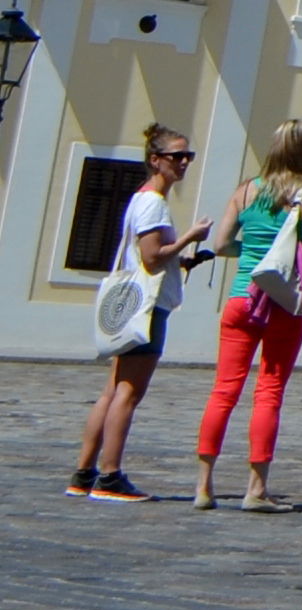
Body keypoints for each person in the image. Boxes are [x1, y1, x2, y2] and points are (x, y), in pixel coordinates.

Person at [192, 122, 302, 512]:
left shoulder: (246, 190)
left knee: (224, 390)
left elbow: (221, 243)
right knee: (269, 391)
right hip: (283, 302)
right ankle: (256, 490)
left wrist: (252, 252)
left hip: (242, 297)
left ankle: (203, 486)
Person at [70, 126, 207, 500]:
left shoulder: (141, 199)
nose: (183, 163)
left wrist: (182, 258)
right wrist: (189, 237)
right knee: (127, 393)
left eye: (188, 156)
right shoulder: (153, 203)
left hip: (133, 303)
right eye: (176, 156)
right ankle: (110, 475)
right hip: (147, 308)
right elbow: (150, 257)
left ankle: (84, 473)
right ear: (155, 160)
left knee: (112, 390)